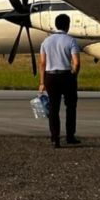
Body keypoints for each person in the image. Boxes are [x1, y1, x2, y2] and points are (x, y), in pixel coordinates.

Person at [39, 14, 81, 148]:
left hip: (50, 76)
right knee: (70, 107)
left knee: (53, 108)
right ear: (67, 25)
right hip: (66, 75)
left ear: (56, 25)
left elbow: (42, 63)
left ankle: (55, 138)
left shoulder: (46, 41)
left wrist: (42, 82)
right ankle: (70, 136)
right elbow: (76, 62)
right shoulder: (71, 40)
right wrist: (74, 74)